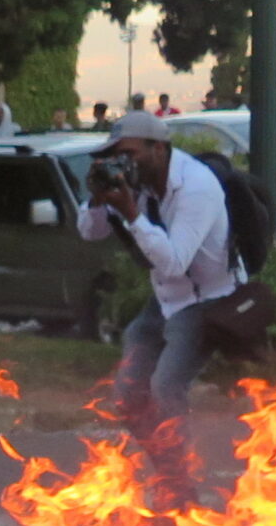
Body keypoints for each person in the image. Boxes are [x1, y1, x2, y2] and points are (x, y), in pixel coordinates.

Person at [79, 111, 231, 470]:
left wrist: (132, 214)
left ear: (158, 149)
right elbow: (89, 232)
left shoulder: (197, 186)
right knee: (128, 394)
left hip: (206, 299)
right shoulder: (141, 183)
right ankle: (168, 468)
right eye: (116, 155)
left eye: (129, 154)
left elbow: (176, 261)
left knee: (165, 386)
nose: (123, 162)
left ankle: (179, 481)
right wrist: (99, 198)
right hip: (166, 298)